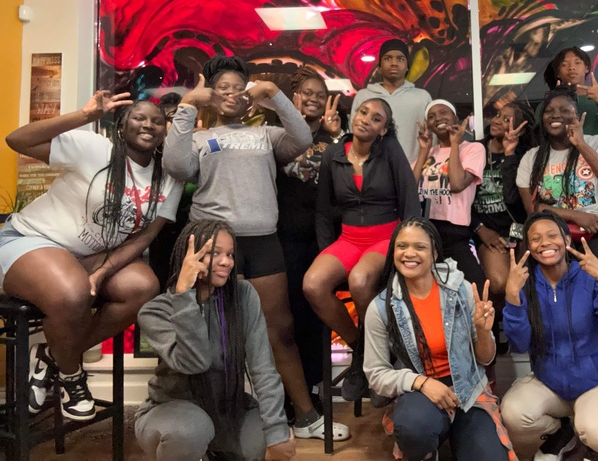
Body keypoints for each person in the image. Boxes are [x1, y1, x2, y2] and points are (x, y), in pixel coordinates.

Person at [162, 55, 346, 441]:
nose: (230, 93)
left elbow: (303, 139)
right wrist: (189, 103)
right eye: (222, 88)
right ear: (213, 94)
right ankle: (211, 422)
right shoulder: (196, 137)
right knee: (212, 332)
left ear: (248, 95)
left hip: (262, 241)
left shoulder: (267, 136)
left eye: (237, 87)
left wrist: (274, 94)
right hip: (211, 241)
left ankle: (305, 415)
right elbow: (176, 166)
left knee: (279, 330)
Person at [2, 92, 182, 421]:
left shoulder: (167, 176)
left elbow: (146, 236)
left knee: (142, 287)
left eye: (157, 121)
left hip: (89, 256)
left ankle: (51, 355)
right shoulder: (96, 149)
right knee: (72, 293)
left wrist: (101, 274)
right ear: (122, 125)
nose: (149, 124)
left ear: (165, 131)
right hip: (32, 240)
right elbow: (17, 139)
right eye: (139, 117)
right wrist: (83, 115)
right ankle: (72, 375)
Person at [135, 219, 296, 461]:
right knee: (191, 432)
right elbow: (195, 362)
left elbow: (263, 369)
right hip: (173, 410)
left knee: (270, 435)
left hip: (229, 410)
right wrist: (184, 296)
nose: (227, 262)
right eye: (215, 253)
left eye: (230, 254)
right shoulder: (155, 312)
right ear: (188, 258)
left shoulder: (243, 296)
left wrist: (276, 433)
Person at [363, 218, 516, 461]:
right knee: (414, 428)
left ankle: (460, 435)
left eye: (419, 247)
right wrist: (421, 383)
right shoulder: (381, 307)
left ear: (435, 253)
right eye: (402, 246)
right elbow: (375, 375)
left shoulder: (462, 290)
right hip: (421, 395)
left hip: (468, 392)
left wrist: (484, 331)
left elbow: (485, 359)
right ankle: (426, 450)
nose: (409, 253)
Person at [303, 97, 420, 402]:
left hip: (385, 236)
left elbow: (410, 199)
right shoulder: (333, 154)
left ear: (383, 130)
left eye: (377, 118)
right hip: (348, 239)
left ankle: (373, 356)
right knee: (313, 284)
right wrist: (327, 252)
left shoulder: (390, 150)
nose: (367, 119)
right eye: (364, 112)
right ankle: (363, 349)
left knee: (359, 280)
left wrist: (411, 247)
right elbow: (323, 209)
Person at [501, 211, 598, 461]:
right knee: (513, 414)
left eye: (552, 235)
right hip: (550, 385)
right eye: (536, 239)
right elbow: (519, 344)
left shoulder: (591, 276)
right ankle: (563, 433)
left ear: (566, 240)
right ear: (528, 247)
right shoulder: (524, 284)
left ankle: (592, 448)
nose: (544, 243)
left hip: (596, 383)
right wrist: (512, 299)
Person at [516, 86, 598, 288]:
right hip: (558, 233)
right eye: (549, 111)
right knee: (536, 273)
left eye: (565, 110)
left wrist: (581, 144)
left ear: (578, 116)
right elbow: (533, 208)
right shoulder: (532, 157)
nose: (556, 115)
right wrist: (575, 215)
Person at [276, 66, 344, 406]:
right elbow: (296, 168)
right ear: (294, 98)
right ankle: (290, 393)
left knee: (316, 315)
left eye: (321, 94)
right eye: (308, 93)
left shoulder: (336, 140)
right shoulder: (279, 135)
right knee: (287, 317)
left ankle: (316, 389)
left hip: (322, 239)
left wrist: (333, 137)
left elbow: (342, 179)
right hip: (284, 237)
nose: (315, 99)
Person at [414, 99, 486, 286]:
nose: (438, 118)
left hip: (455, 233)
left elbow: (457, 184)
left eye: (444, 113)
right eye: (431, 116)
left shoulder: (473, 149)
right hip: (424, 231)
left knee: (474, 288)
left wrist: (455, 144)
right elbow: (409, 190)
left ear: (455, 117)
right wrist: (423, 151)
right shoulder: (427, 152)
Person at [472, 102, 535, 297]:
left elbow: (513, 199)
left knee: (525, 284)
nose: (497, 120)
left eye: (506, 119)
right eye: (498, 115)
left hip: (519, 230)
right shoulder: (475, 150)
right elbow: (460, 200)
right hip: (488, 230)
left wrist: (509, 154)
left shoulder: (526, 156)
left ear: (521, 130)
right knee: (500, 283)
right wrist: (480, 229)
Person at [351, 38, 432, 163]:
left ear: (407, 67)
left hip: (412, 171)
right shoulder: (364, 96)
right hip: (370, 169)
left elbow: (432, 138)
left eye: (400, 59)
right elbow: (354, 135)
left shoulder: (422, 97)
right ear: (379, 66)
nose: (394, 63)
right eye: (388, 58)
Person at [535, 47, 598, 149]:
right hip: (561, 162)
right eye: (564, 64)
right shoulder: (546, 107)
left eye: (577, 63)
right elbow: (540, 142)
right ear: (557, 73)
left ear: (587, 68)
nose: (571, 67)